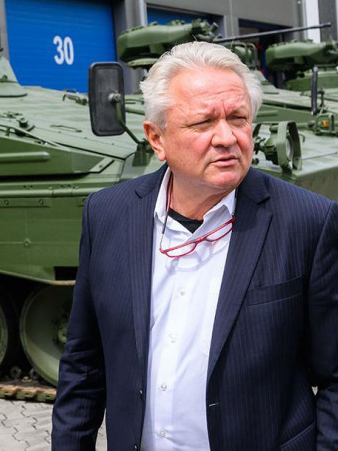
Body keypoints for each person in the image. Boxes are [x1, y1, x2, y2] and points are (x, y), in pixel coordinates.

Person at [51, 41, 338, 451]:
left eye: (238, 118)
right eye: (203, 122)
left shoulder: (307, 221)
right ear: (157, 138)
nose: (227, 137)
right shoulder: (107, 215)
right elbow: (83, 365)